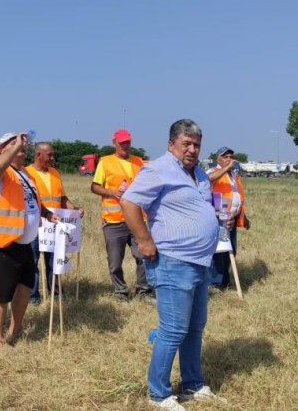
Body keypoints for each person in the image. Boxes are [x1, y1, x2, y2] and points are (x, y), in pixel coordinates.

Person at [120, 119, 225, 411]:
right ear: (171, 145)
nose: (192, 150)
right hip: (172, 261)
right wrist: (143, 240)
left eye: (196, 144)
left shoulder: (199, 173)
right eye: (186, 144)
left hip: (200, 262)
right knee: (173, 329)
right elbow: (129, 203)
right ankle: (158, 394)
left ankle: (192, 384)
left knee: (194, 328)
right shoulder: (158, 169)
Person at [0, 132, 59, 348]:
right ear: (2, 150)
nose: (20, 146)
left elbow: (33, 201)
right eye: (12, 144)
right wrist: (16, 145)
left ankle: (16, 329)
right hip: (3, 242)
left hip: (24, 242)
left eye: (21, 144)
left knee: (25, 286)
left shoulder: (26, 174)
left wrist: (46, 214)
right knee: (3, 291)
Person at [90, 128, 153, 302]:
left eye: (128, 142)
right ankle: (120, 292)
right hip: (113, 220)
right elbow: (94, 187)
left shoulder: (139, 162)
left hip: (138, 220)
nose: (125, 146)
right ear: (114, 143)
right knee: (115, 261)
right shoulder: (105, 162)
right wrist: (111, 192)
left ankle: (144, 291)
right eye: (122, 142)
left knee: (143, 256)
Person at [24, 141, 84, 304]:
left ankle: (57, 295)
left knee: (54, 260)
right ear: (38, 155)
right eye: (50, 154)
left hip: (54, 225)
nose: (53, 157)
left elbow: (62, 199)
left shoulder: (55, 173)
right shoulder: (26, 173)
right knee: (32, 261)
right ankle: (32, 297)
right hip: (35, 226)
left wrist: (75, 210)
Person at [206, 147, 250, 290]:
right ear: (217, 159)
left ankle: (224, 280)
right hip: (218, 220)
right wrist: (227, 167)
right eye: (225, 157)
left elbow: (237, 198)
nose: (229, 159)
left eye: (231, 157)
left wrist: (244, 217)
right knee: (219, 251)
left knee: (231, 250)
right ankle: (215, 284)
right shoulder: (213, 172)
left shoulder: (234, 175)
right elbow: (208, 180)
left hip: (232, 219)